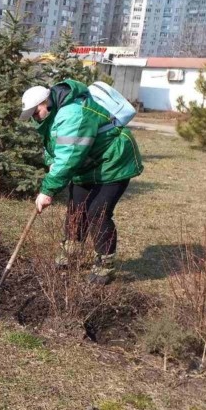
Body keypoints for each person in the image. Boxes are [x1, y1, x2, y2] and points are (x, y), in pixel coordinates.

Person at [19, 79, 144, 284]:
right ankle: (71, 251)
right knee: (76, 209)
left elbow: (69, 157)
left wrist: (47, 190)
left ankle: (105, 265)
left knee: (97, 212)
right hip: (88, 164)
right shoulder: (52, 113)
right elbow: (54, 144)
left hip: (113, 163)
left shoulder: (73, 114)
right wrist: (51, 162)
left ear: (45, 103)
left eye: (35, 112)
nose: (35, 118)